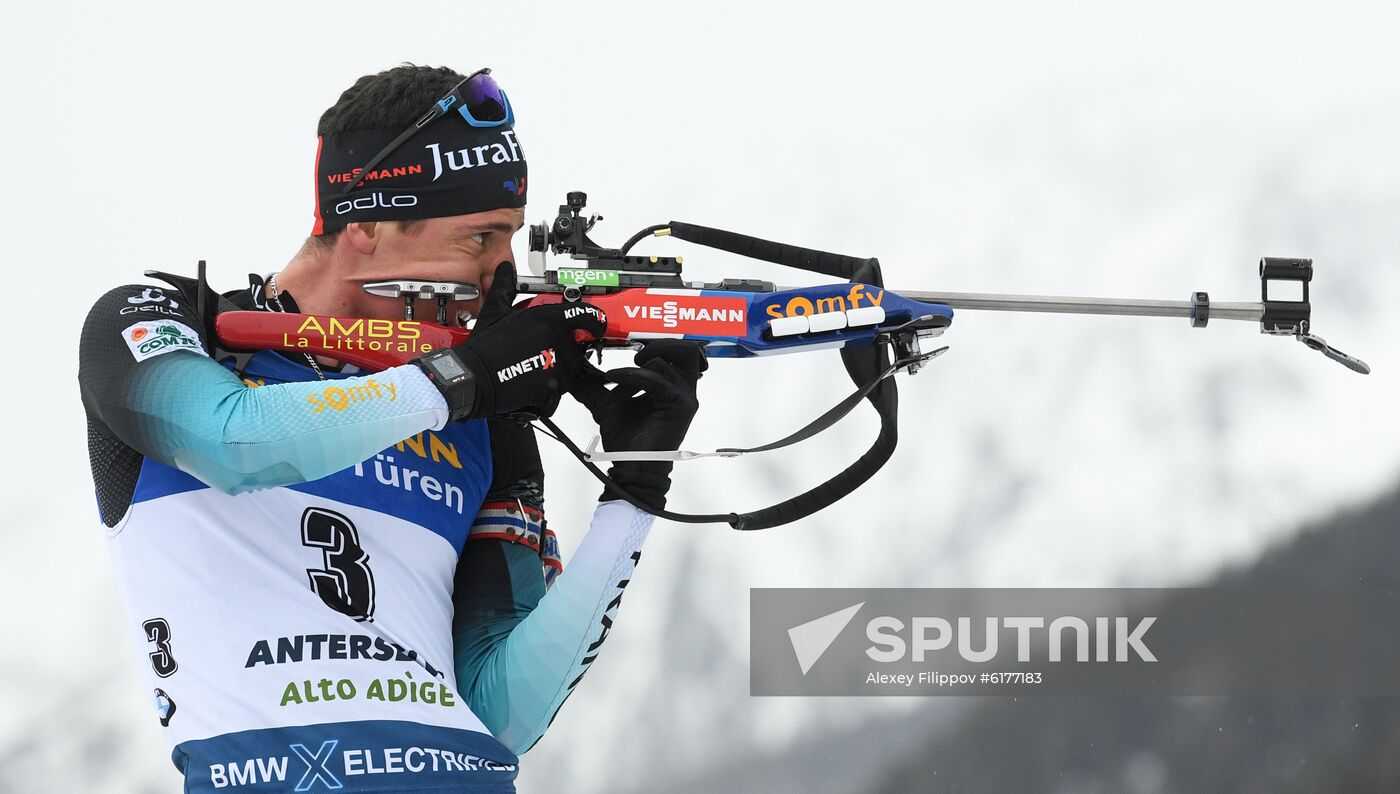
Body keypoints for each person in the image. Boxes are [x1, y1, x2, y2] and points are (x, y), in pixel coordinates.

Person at [78, 64, 704, 793]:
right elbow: (234, 441)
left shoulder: (477, 415)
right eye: (480, 240)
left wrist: (634, 488)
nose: (501, 277)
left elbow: (503, 711)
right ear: (366, 225)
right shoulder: (171, 325)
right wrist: (466, 378)